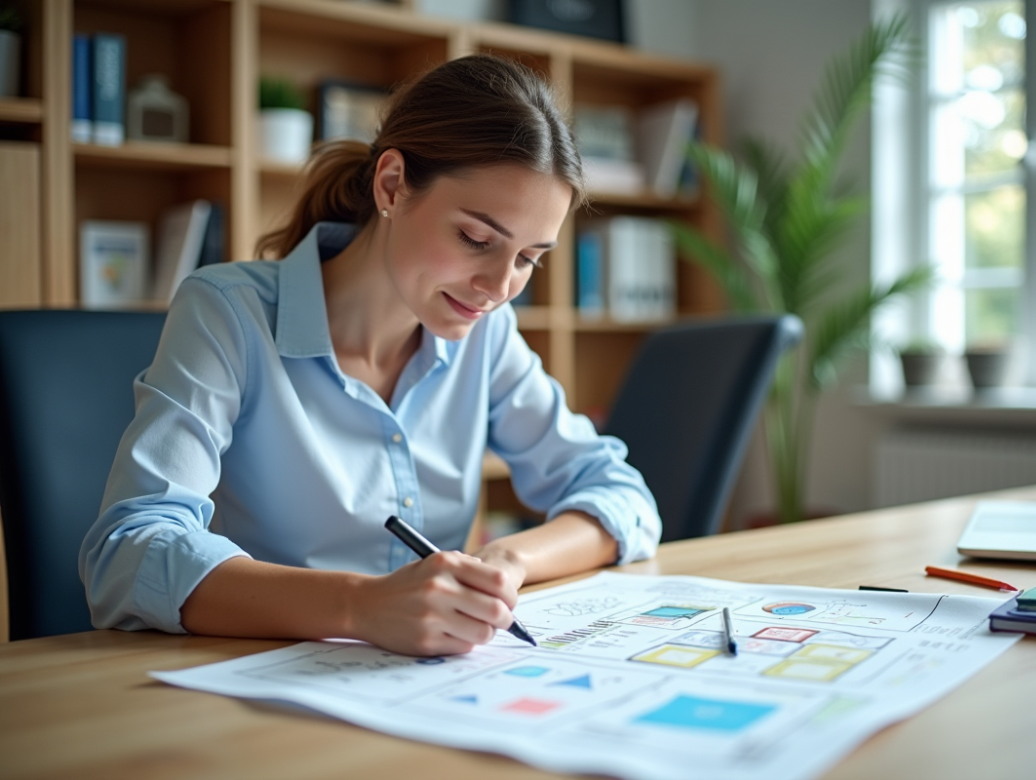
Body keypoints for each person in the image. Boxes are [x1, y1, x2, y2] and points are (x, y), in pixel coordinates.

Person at [80, 55, 661, 657]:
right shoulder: (229, 313)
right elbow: (127, 553)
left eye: (528, 258)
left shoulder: (487, 335)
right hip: (255, 677)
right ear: (391, 185)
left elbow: (622, 497)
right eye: (476, 239)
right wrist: (362, 606)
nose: (498, 287)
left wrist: (505, 562)